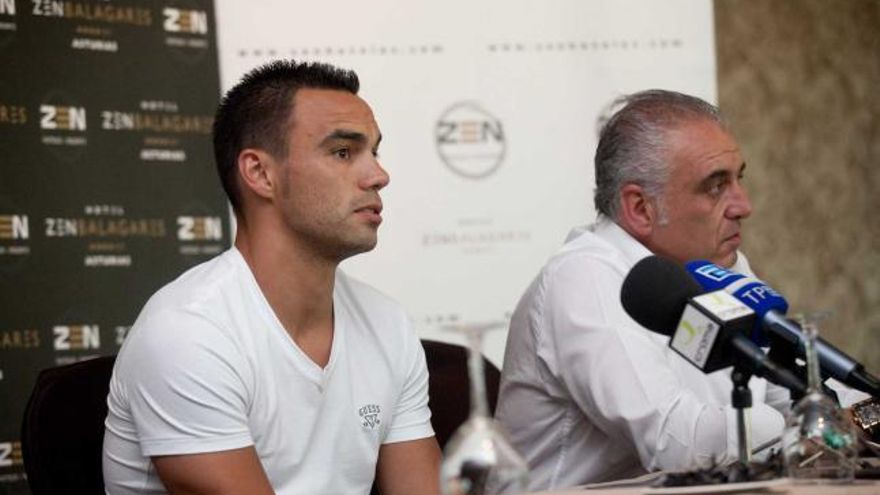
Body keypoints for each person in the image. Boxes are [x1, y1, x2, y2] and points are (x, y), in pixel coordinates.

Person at [102, 60, 441, 495]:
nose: (379, 175)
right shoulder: (187, 331)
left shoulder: (386, 322)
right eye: (343, 152)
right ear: (260, 173)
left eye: (374, 151)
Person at [494, 90, 792, 490]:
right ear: (640, 208)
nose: (744, 205)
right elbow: (677, 444)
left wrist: (830, 414)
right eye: (715, 186)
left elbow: (791, 390)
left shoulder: (723, 267)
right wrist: (807, 425)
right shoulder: (583, 277)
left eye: (739, 178)